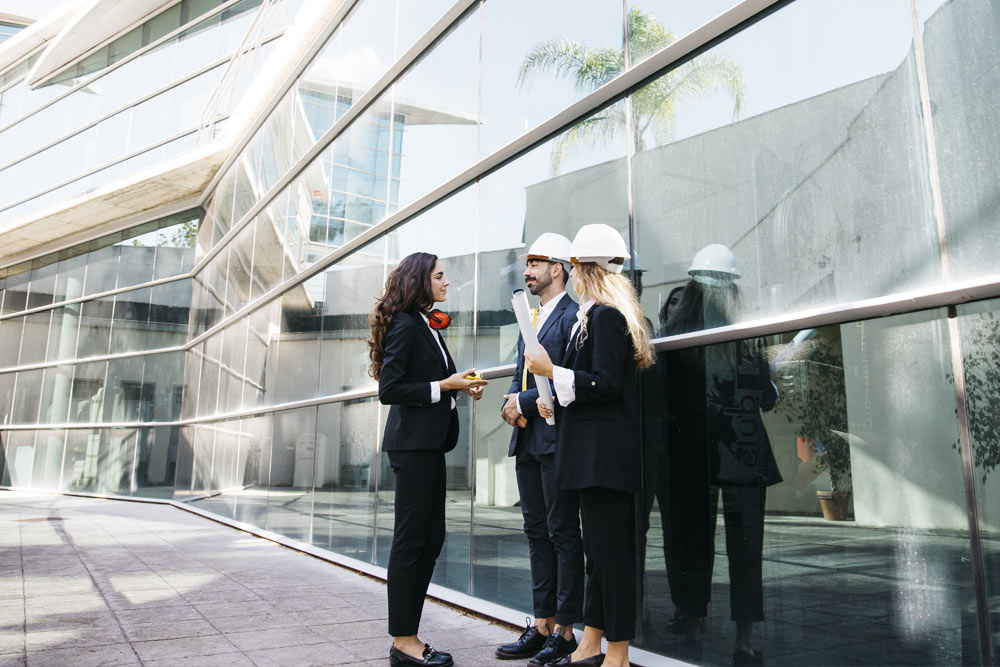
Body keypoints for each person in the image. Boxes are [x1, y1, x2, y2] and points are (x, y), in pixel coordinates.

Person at [526, 224, 655, 667]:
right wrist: (554, 399)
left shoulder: (605, 317)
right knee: (600, 558)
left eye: (576, 266)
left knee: (610, 558)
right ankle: (592, 643)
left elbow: (604, 382)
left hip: (603, 462)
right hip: (595, 459)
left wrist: (551, 370)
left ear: (583, 270)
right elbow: (595, 388)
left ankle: (616, 654)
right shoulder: (600, 316)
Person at [660, 244, 780, 666]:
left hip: (692, 453)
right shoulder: (748, 333)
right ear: (732, 288)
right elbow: (766, 397)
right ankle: (744, 641)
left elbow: (663, 400)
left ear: (692, 287)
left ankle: (692, 626)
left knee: (691, 542)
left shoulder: (674, 337)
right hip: (744, 452)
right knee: (747, 548)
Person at [368, 252, 488, 667]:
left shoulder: (424, 323)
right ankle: (404, 641)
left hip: (429, 446)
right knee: (412, 542)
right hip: (413, 448)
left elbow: (432, 381)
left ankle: (409, 634)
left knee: (430, 539)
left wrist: (459, 387)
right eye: (440, 276)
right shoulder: (405, 324)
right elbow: (391, 389)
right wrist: (444, 385)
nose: (446, 282)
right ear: (420, 280)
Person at [495, 234, 584, 665]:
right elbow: (520, 373)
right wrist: (509, 403)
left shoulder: (573, 316)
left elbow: (568, 377)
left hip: (558, 441)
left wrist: (522, 403)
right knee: (535, 533)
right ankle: (543, 623)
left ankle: (566, 631)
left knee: (562, 532)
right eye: (525, 263)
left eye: (535, 263)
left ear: (558, 268)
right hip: (528, 440)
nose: (527, 271)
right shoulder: (529, 315)